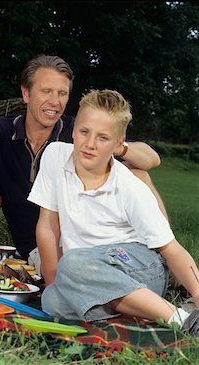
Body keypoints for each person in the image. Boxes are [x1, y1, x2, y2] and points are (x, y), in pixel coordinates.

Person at [0, 54, 164, 266]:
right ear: (26, 93)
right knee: (81, 270)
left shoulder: (79, 133)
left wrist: (117, 147)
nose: (55, 102)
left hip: (88, 240)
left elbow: (151, 158)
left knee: (139, 174)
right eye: (46, 91)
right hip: (41, 247)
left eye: (62, 93)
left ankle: (164, 257)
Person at [28, 89, 199, 334]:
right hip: (88, 273)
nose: (89, 144)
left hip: (140, 267)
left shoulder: (129, 187)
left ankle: (181, 320)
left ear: (119, 143)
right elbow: (47, 225)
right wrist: (59, 284)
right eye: (84, 131)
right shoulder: (55, 156)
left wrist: (197, 294)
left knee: (72, 263)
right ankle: (136, 314)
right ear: (74, 128)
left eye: (103, 137)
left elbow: (171, 249)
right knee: (53, 301)